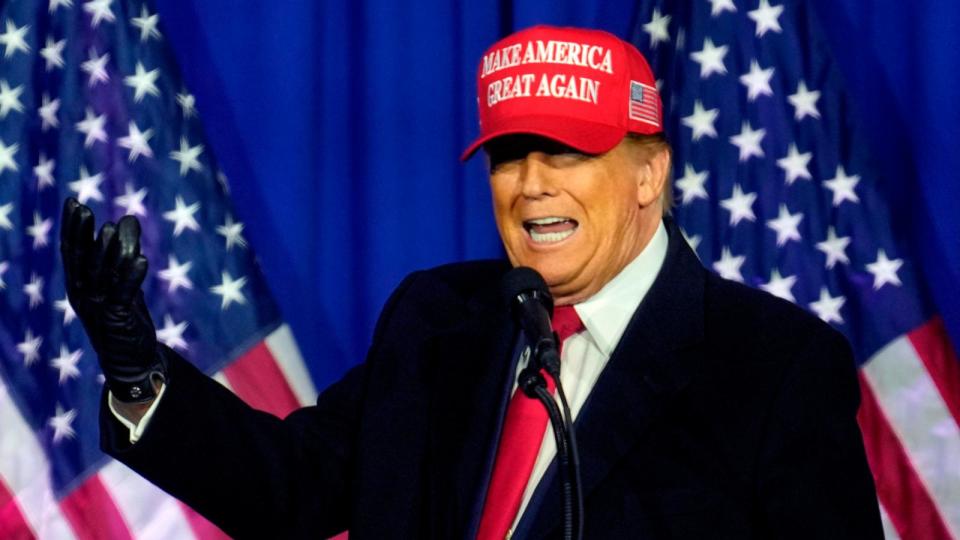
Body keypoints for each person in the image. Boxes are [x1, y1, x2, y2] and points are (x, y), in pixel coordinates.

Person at [60, 25, 882, 539]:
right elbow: (291, 492)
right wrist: (139, 376)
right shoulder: (438, 320)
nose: (530, 184)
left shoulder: (771, 366)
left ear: (650, 174)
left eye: (566, 152)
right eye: (507, 155)